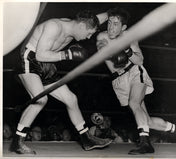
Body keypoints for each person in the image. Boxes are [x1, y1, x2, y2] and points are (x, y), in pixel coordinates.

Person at [10, 10, 112, 154]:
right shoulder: (55, 26)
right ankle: (18, 142)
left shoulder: (78, 25)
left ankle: (86, 139)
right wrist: (68, 54)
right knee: (40, 99)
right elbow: (40, 54)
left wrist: (111, 13)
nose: (89, 37)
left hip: (47, 64)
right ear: (82, 26)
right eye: (89, 33)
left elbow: (95, 20)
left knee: (71, 99)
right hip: (29, 59)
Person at [96, 7, 176, 154]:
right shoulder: (102, 36)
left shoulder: (129, 37)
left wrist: (127, 51)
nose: (110, 27)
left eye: (115, 24)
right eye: (109, 22)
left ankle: (146, 143)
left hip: (134, 73)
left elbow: (139, 60)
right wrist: (111, 51)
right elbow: (101, 47)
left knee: (134, 103)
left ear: (123, 27)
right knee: (147, 121)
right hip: (119, 81)